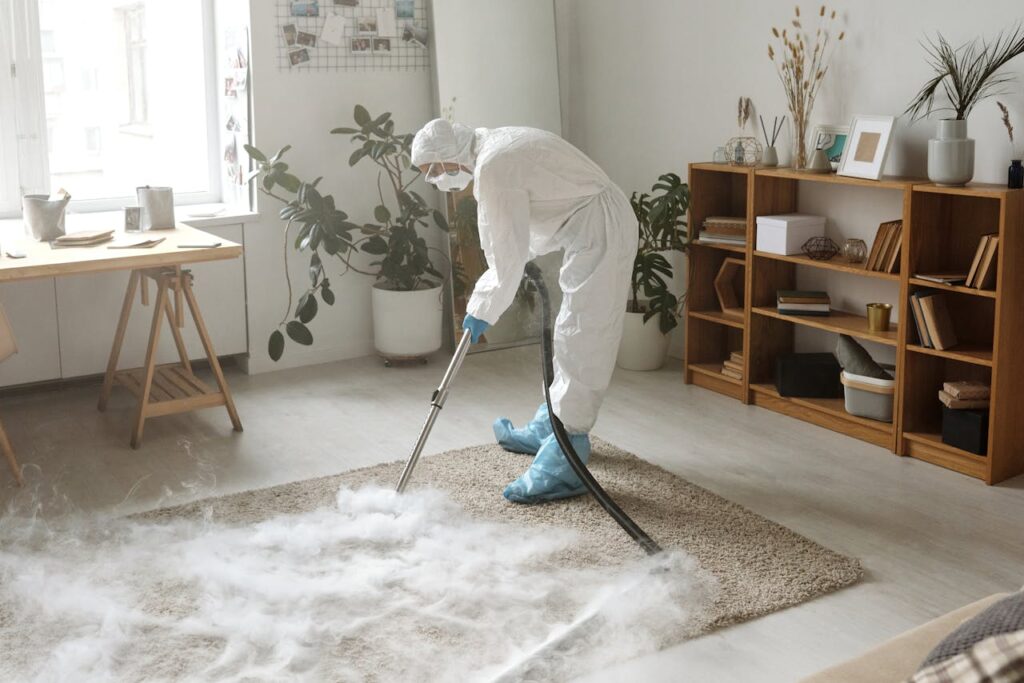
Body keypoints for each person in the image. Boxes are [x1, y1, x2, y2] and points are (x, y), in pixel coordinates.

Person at [410, 119, 637, 504]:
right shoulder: (494, 148)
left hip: (601, 228)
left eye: (434, 170)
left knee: (583, 336)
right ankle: (551, 423)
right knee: (571, 329)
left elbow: (504, 257)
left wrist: (482, 308)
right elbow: (522, 226)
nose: (434, 179)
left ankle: (567, 454)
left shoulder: (494, 166)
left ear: (450, 157)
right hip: (589, 225)